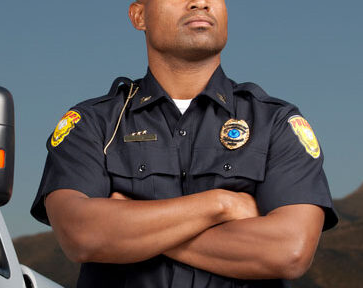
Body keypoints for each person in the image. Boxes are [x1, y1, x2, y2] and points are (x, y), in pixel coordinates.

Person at [29, 0, 338, 287]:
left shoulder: (276, 123)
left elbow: (290, 251)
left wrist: (132, 229)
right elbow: (81, 235)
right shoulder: (93, 123)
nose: (200, 2)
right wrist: (221, 204)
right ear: (139, 16)